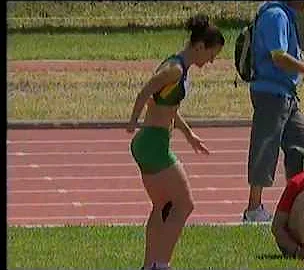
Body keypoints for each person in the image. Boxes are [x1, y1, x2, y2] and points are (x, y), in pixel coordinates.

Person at [126, 14, 225, 270]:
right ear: (200, 46)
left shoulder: (178, 66)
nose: (211, 61)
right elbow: (146, 91)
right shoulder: (175, 69)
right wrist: (132, 121)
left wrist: (188, 134)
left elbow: (165, 106)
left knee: (162, 205)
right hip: (153, 143)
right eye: (211, 54)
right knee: (184, 204)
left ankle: (150, 265)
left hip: (151, 142)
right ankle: (161, 264)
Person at [244, 0, 304, 222]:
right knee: (265, 147)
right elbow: (278, 57)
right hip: (270, 92)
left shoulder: (287, 15)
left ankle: (296, 202)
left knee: (301, 143)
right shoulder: (276, 16)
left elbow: (289, 54)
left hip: (287, 93)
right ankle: (253, 208)